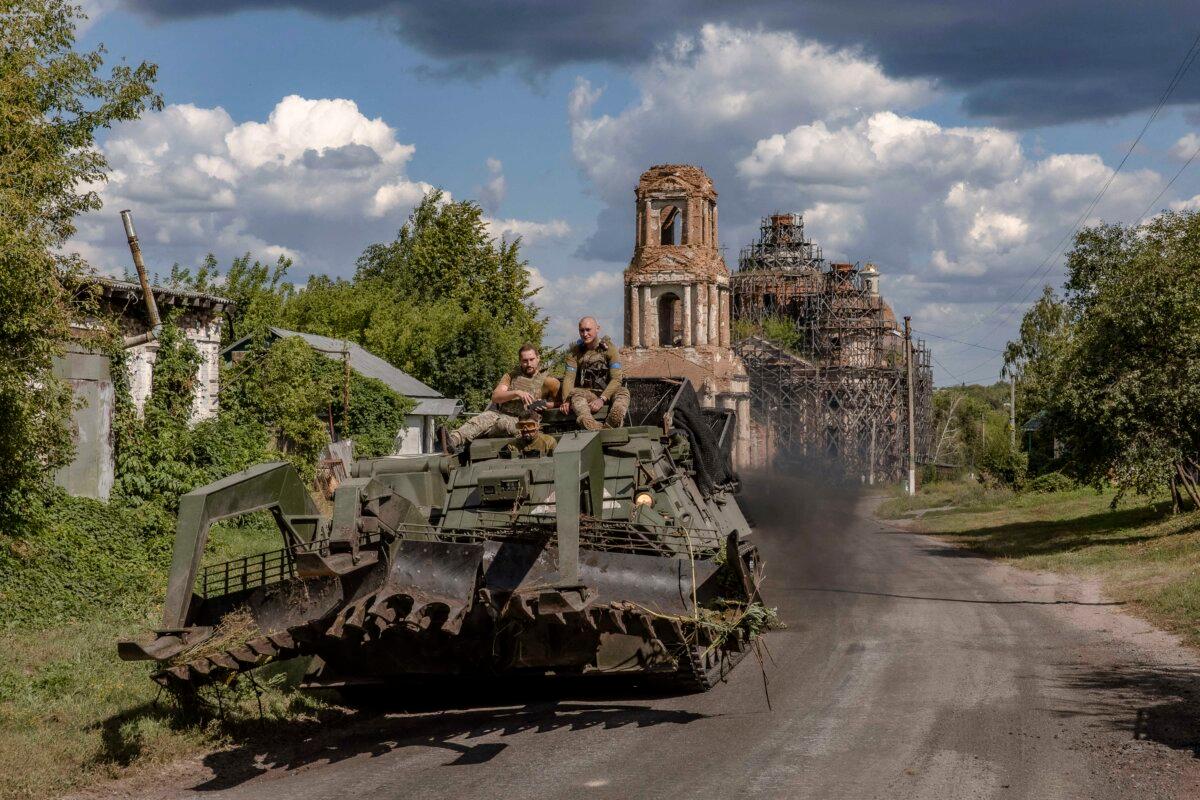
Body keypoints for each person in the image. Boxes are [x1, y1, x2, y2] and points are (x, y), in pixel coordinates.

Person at [443, 343, 561, 452]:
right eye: (525, 361)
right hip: (503, 415)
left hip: (525, 423)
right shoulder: (510, 376)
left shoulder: (549, 381)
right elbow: (496, 396)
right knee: (484, 418)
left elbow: (561, 404)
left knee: (501, 422)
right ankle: (452, 441)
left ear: (538, 358)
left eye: (532, 359)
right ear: (520, 361)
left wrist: (544, 404)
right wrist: (517, 392)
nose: (529, 364)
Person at [559, 316, 629, 430]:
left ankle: (611, 423)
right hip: (587, 393)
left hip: (608, 392)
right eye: (582, 330)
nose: (585, 334)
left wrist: (602, 399)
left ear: (597, 329)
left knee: (623, 392)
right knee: (576, 395)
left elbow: (616, 379)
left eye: (588, 330)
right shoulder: (575, 353)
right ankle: (590, 424)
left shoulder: (609, 349)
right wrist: (566, 401)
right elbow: (569, 378)